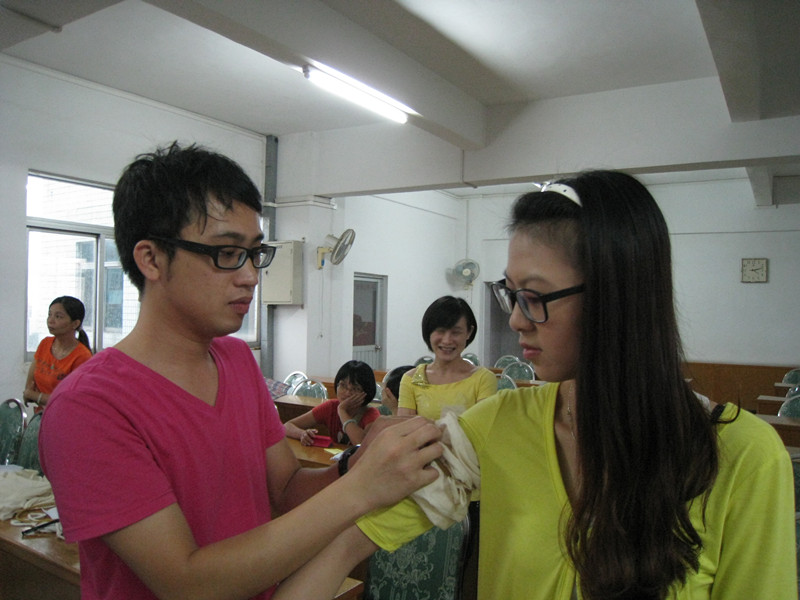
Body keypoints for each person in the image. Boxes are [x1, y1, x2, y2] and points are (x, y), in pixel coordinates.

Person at [272, 171, 797, 600]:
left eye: (535, 297)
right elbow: (347, 545)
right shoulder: (495, 427)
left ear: (616, 295)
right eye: (512, 294)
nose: (517, 320)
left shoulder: (739, 456)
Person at [38, 142, 443, 600]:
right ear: (150, 258)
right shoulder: (89, 407)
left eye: (254, 253)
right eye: (226, 253)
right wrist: (361, 490)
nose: (251, 275)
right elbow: (187, 582)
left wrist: (358, 461)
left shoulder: (236, 361)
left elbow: (284, 489)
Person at [397, 296, 497, 419]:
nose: (447, 340)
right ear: (429, 331)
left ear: (469, 332)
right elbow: (406, 427)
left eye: (456, 332)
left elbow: (483, 426)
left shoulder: (483, 379)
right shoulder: (411, 379)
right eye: (440, 331)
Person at [284, 360, 380, 446]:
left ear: (366, 392)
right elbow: (287, 426)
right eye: (343, 385)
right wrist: (301, 434)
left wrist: (342, 411)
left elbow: (362, 444)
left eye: (355, 388)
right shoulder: (331, 407)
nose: (347, 393)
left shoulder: (371, 414)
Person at [23, 296, 92, 411]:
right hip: (41, 415)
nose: (51, 320)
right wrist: (34, 395)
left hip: (66, 416)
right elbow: (29, 386)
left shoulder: (82, 356)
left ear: (75, 323)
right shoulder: (45, 343)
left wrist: (35, 396)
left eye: (58, 316)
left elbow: (72, 399)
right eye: (49, 315)